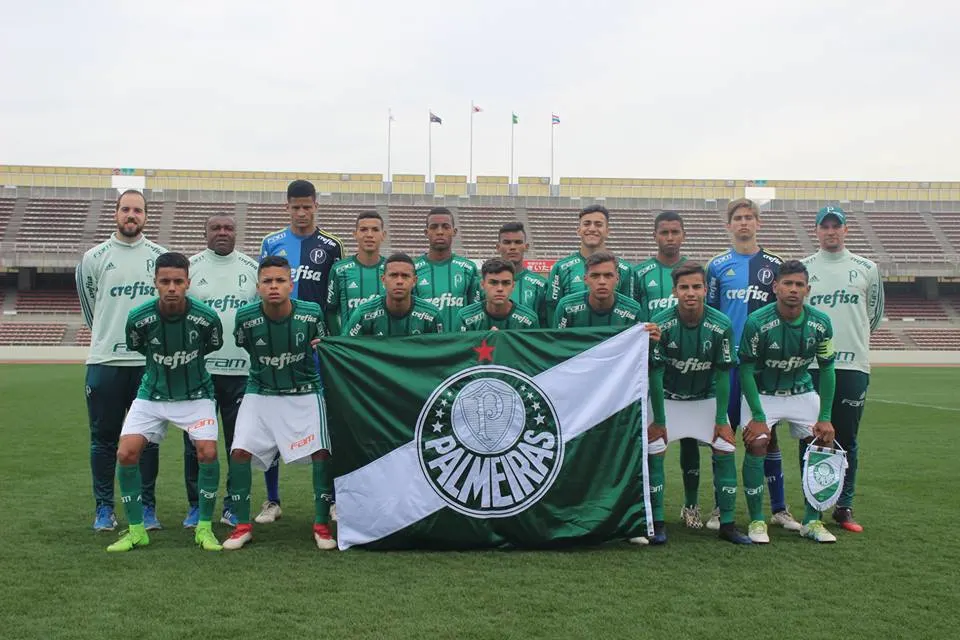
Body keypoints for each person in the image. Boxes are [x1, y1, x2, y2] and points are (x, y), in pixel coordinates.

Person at [106, 252, 224, 552]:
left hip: (196, 394)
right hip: (152, 394)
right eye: (165, 281)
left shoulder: (207, 318)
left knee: (207, 453)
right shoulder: (139, 318)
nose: (172, 287)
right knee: (126, 454)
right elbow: (136, 345)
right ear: (155, 283)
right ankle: (136, 531)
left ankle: (205, 528)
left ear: (188, 283)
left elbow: (213, 344)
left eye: (178, 281)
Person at [223, 256, 336, 550]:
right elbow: (244, 344)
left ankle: (322, 525)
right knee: (239, 452)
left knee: (322, 452)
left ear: (291, 285)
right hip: (260, 391)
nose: (274, 286)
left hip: (305, 392)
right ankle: (241, 526)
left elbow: (322, 347)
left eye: (280, 281)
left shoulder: (311, 314)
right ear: (258, 286)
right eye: (268, 281)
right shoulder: (245, 318)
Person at [76, 189, 166, 531]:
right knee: (103, 438)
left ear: (146, 215)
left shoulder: (160, 257)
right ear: (116, 213)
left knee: (149, 440)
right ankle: (104, 508)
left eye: (138, 210)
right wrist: (108, 337)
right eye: (126, 209)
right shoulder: (93, 258)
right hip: (105, 362)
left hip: (148, 364)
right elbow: (91, 311)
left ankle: (146, 507)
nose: (132, 215)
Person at [644, 262, 751, 546]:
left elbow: (723, 372)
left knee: (725, 446)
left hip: (706, 399)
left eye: (696, 287)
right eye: (684, 287)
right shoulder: (660, 322)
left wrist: (720, 419)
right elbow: (654, 372)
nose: (690, 293)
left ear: (705, 289)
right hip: (668, 399)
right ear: (674, 291)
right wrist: (660, 421)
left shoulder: (721, 324)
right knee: (654, 447)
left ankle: (727, 524)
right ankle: (656, 523)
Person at [256, 179, 344, 524]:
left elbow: (334, 300)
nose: (302, 212)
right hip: (277, 346)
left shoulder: (331, 246)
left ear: (316, 205)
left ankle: (333, 500)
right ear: (286, 207)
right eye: (296, 207)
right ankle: (272, 500)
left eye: (308, 206)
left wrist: (331, 339)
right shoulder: (271, 242)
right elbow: (263, 290)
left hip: (316, 347)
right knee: (272, 419)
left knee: (324, 422)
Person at [705, 198, 795, 532]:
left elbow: (784, 313)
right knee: (724, 434)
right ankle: (719, 506)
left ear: (759, 223)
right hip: (728, 364)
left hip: (761, 366)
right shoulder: (717, 266)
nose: (744, 223)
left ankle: (779, 508)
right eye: (738, 218)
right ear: (729, 225)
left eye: (749, 217)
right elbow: (711, 313)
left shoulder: (775, 264)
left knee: (767, 436)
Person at [738, 260, 838, 544]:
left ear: (807, 289)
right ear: (776, 287)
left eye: (799, 285)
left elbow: (827, 368)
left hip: (801, 391)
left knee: (823, 442)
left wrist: (826, 416)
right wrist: (757, 415)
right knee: (757, 441)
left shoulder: (821, 322)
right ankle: (757, 519)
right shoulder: (757, 322)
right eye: (787, 284)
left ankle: (812, 520)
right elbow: (745, 370)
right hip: (763, 393)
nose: (793, 289)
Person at [802, 206, 884, 532]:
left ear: (846, 230)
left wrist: (853, 341)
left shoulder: (867, 268)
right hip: (812, 366)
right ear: (817, 230)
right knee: (811, 437)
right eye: (825, 226)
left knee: (847, 438)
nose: (831, 231)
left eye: (837, 226)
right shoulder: (805, 268)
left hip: (852, 364)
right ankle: (812, 506)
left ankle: (844, 505)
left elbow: (873, 315)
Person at [182, 214, 258, 528]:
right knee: (195, 444)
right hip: (200, 373)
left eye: (228, 228)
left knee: (238, 444)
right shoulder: (189, 268)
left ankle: (232, 505)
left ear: (236, 233)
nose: (222, 233)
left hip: (241, 373)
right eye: (216, 228)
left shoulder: (252, 269)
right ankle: (196, 506)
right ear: (205, 233)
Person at [632, 211, 705, 530]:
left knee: (690, 440)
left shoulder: (696, 271)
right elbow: (634, 314)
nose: (670, 237)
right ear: (655, 235)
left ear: (684, 235)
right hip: (651, 365)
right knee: (653, 441)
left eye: (676, 231)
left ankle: (691, 506)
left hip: (692, 366)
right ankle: (649, 508)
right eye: (664, 232)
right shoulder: (640, 272)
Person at [546, 205, 633, 322]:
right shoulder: (561, 268)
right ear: (578, 230)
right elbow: (552, 311)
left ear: (607, 231)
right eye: (586, 224)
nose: (592, 229)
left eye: (598, 224)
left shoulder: (625, 269)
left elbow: (631, 310)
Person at [343, 253, 444, 336]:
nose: (399, 281)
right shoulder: (363, 314)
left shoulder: (432, 315)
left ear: (414, 281)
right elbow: (347, 349)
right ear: (383, 280)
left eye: (405, 276)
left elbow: (440, 352)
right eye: (393, 275)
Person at [414, 207, 481, 330]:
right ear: (426, 232)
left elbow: (476, 311)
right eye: (434, 227)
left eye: (446, 227)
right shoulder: (413, 269)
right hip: (425, 344)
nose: (440, 232)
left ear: (454, 231)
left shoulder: (469, 268)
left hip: (460, 343)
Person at [326, 212, 387, 335]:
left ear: (383, 235)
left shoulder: (392, 270)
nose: (369, 235)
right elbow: (331, 311)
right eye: (363, 229)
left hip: (384, 347)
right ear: (355, 234)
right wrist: (340, 341)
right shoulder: (339, 270)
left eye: (375, 230)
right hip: (351, 350)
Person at [553, 252, 645, 329]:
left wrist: (651, 341)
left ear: (617, 279)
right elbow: (557, 344)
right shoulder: (566, 306)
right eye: (595, 276)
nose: (602, 282)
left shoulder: (633, 310)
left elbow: (640, 347)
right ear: (585, 279)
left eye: (608, 275)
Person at [456, 258, 540, 331]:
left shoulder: (529, 319)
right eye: (493, 283)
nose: (500, 288)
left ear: (513, 286)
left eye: (506, 283)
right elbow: (461, 348)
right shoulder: (465, 317)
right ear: (482, 285)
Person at [493, 222, 548, 325]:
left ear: (526, 246)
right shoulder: (484, 284)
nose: (512, 247)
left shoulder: (541, 284)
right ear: (498, 247)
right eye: (507, 242)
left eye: (518, 242)